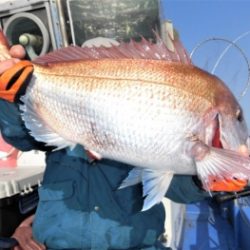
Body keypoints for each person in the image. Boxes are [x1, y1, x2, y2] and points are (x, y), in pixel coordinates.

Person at [0, 43, 212, 250]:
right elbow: (20, 135)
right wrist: (10, 96)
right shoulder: (56, 124)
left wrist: (204, 178)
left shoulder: (146, 130)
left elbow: (176, 188)